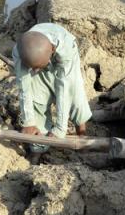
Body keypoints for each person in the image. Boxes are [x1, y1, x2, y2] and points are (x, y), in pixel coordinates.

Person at [12, 23, 92, 164]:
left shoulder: (66, 49)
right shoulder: (20, 52)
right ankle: (38, 147)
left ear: (53, 50)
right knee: (37, 98)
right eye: (33, 69)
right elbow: (24, 87)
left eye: (38, 68)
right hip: (36, 58)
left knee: (75, 94)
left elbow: (64, 90)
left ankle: (82, 134)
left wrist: (60, 128)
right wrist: (28, 121)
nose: (36, 72)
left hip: (64, 58)